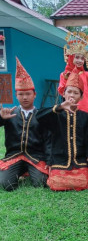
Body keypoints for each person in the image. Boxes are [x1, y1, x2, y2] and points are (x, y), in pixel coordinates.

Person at [37, 68, 88, 191]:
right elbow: (38, 117)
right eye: (69, 92)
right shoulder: (55, 113)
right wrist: (60, 106)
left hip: (79, 162)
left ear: (82, 97)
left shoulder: (85, 117)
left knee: (83, 183)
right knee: (56, 184)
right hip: (60, 161)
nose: (72, 95)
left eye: (76, 93)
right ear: (64, 93)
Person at [0, 58, 50, 191]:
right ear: (16, 95)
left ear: (35, 95)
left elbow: (48, 141)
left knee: (40, 183)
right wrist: (1, 118)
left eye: (28, 94)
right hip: (14, 156)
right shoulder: (9, 113)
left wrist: (50, 161)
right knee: (7, 185)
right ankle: (18, 172)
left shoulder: (41, 115)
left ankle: (28, 172)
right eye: (21, 94)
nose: (25, 97)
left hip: (35, 157)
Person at [58, 31, 88, 118]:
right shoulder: (64, 74)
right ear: (71, 57)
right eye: (77, 57)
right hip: (70, 105)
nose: (79, 61)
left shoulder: (87, 74)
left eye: (82, 58)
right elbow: (61, 90)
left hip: (86, 107)